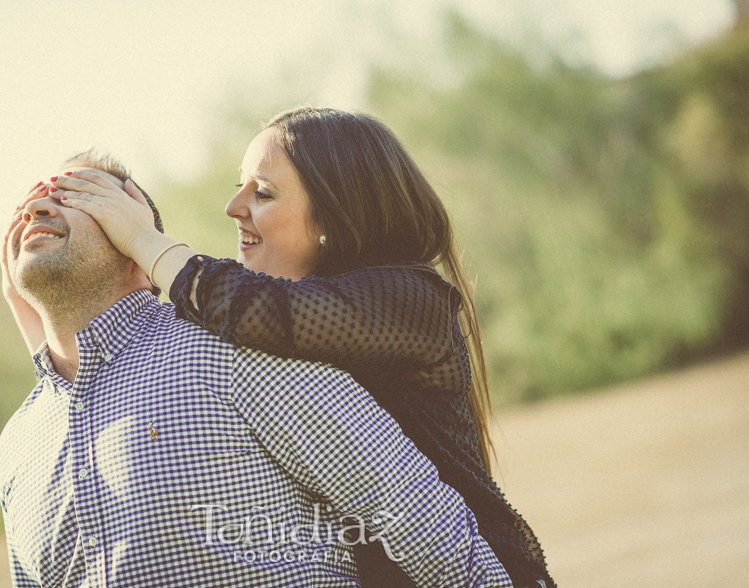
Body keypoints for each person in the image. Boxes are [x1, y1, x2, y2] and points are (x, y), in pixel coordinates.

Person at [33, 107, 555, 588]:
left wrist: (141, 241)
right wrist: (30, 299)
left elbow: (256, 309)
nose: (232, 207)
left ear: (332, 217)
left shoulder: (409, 297)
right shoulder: (290, 318)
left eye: (262, 193)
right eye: (241, 188)